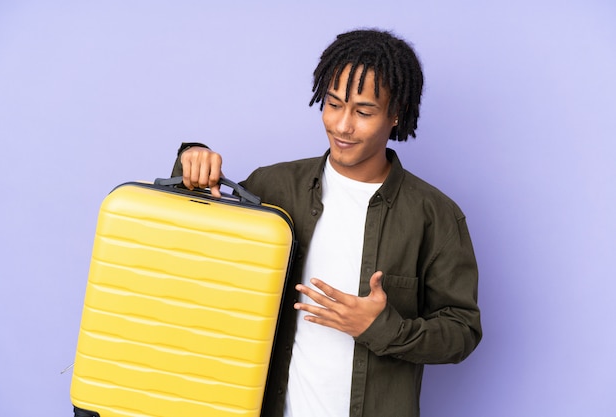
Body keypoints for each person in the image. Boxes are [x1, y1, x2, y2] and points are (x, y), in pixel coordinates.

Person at [170, 28, 481, 417]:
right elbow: (194, 240)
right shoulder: (273, 186)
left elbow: (462, 332)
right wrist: (191, 159)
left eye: (364, 112)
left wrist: (382, 328)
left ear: (396, 113)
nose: (342, 125)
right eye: (333, 104)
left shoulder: (434, 216)